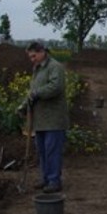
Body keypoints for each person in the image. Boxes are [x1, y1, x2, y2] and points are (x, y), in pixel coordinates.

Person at [20, 41, 70, 192]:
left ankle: (54, 181)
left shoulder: (55, 67)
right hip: (40, 120)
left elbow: (56, 87)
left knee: (52, 151)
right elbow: (32, 92)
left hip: (54, 120)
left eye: (34, 56)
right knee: (42, 151)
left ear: (42, 52)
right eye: (30, 57)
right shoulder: (37, 69)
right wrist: (23, 106)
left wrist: (37, 93)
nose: (32, 59)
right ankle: (46, 178)